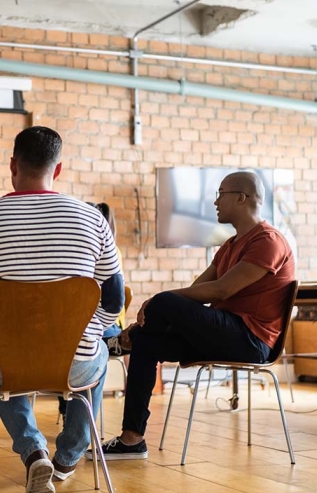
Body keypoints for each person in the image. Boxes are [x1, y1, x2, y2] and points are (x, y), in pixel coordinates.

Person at [0, 126, 124, 493]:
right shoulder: (92, 220)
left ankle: (34, 454)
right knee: (97, 354)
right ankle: (67, 458)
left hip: (3, 361)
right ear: (58, 169)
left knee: (0, 358)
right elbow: (114, 299)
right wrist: (91, 332)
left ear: (12, 165)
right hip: (74, 362)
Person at [94, 171, 295, 460]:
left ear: (241, 197)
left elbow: (220, 291)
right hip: (224, 334)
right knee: (146, 344)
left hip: (251, 340)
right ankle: (131, 439)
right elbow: (196, 289)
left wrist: (157, 302)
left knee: (164, 302)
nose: (215, 202)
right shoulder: (228, 246)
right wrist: (162, 309)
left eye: (221, 194)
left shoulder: (268, 241)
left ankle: (121, 340)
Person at [58, 202, 126, 419]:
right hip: (93, 324)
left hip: (100, 323)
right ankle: (69, 410)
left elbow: (112, 301)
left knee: (75, 344)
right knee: (82, 348)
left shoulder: (107, 251)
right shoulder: (103, 249)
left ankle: (68, 406)